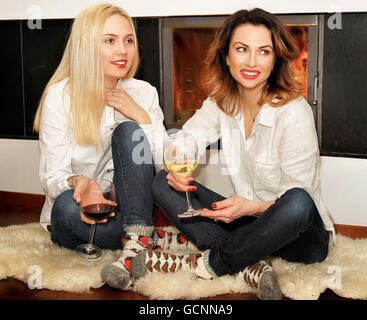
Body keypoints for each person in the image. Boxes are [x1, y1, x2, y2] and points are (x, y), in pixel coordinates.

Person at [128, 8, 335, 300]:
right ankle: (248, 263)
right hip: (246, 224)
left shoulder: (293, 112)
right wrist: (177, 164)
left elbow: (298, 199)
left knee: (298, 201)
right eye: (242, 49)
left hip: (299, 237)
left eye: (263, 51)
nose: (251, 61)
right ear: (227, 56)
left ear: (275, 60)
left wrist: (250, 208)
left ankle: (209, 262)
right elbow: (186, 138)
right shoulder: (221, 102)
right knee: (161, 181)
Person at [33, 3, 187, 290]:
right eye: (109, 41)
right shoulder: (60, 96)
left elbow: (165, 168)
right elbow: (51, 177)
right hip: (83, 210)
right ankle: (146, 242)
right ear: (86, 47)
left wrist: (139, 116)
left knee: (129, 130)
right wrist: (78, 183)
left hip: (132, 208)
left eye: (128, 40)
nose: (123, 51)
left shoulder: (144, 92)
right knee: (64, 208)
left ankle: (137, 240)